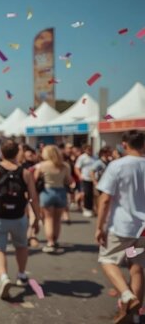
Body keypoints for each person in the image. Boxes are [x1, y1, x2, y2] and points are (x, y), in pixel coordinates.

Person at [0, 140, 40, 299]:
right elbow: (33, 197)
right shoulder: (25, 172)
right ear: (17, 153)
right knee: (21, 245)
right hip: (18, 216)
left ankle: (3, 277)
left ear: (1, 153)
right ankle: (22, 274)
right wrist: (37, 218)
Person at [95, 131, 145, 324]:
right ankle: (135, 315)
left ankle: (127, 296)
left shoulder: (117, 166)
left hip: (122, 227)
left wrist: (99, 227)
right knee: (136, 266)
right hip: (142, 231)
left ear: (124, 144)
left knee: (107, 259)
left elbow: (105, 198)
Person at [35, 145, 72, 253]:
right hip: (60, 191)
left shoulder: (42, 165)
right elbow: (69, 180)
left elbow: (35, 179)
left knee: (48, 219)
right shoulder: (65, 165)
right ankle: (55, 240)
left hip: (47, 192)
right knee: (57, 219)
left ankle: (50, 242)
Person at [76, 144, 96, 218]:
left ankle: (92, 208)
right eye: (88, 149)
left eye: (91, 149)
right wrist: (80, 175)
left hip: (94, 178)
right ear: (85, 150)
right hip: (85, 178)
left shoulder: (95, 157)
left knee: (93, 194)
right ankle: (87, 208)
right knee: (87, 193)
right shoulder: (82, 158)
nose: (90, 151)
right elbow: (77, 167)